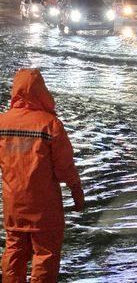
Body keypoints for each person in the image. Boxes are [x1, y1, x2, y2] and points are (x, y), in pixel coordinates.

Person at [0, 69, 84, 283]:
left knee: (14, 252)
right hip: (44, 208)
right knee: (45, 255)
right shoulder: (50, 125)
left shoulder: (2, 123)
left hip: (14, 205)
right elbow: (65, 167)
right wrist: (77, 193)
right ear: (42, 91)